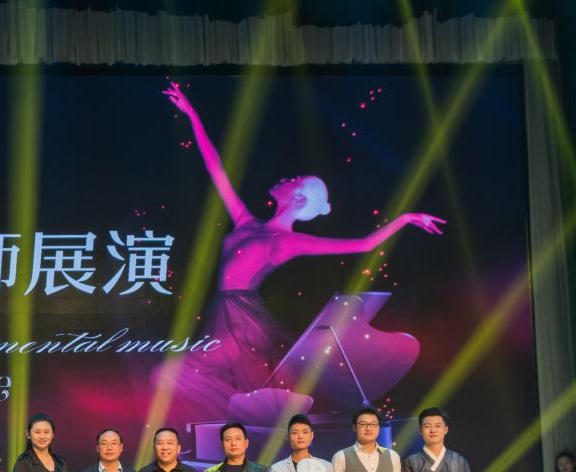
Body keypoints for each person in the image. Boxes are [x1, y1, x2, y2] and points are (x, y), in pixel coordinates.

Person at [157, 82, 443, 422]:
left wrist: (405, 219)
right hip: (229, 312)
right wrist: (191, 114)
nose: (285, 179)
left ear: (299, 199)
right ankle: (271, 409)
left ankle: (270, 409)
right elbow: (215, 168)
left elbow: (363, 244)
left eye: (292, 180)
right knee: (210, 382)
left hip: (241, 320)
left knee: (178, 375)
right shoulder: (246, 220)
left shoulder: (289, 241)